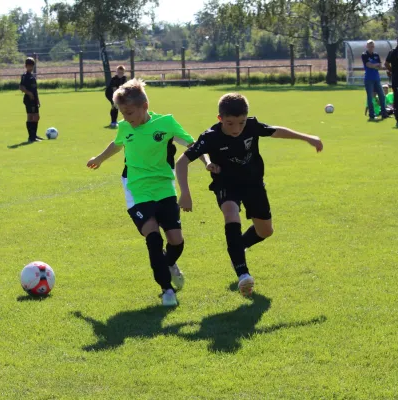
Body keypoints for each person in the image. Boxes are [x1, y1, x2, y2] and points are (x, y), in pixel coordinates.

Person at [175, 93, 323, 297]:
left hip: (253, 184)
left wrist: (307, 138)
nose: (236, 129)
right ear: (220, 119)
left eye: (241, 123)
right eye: (230, 123)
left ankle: (238, 246)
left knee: (265, 231)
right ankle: (243, 274)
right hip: (226, 184)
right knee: (230, 214)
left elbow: (276, 131)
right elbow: (181, 162)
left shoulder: (252, 126)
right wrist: (185, 193)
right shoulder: (211, 136)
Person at [87, 79, 210, 307]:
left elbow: (193, 145)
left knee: (177, 241)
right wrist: (99, 159)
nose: (127, 118)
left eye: (130, 113)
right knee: (153, 236)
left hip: (164, 186)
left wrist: (207, 162)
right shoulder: (125, 128)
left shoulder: (166, 123)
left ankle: (169, 264)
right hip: (136, 188)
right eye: (123, 114)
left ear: (145, 105)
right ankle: (166, 290)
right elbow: (117, 143)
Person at [362, 40, 388, 120]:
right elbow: (368, 65)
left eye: (372, 46)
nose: (371, 47)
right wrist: (375, 65)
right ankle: (372, 115)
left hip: (377, 78)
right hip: (369, 79)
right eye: (370, 46)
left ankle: (384, 113)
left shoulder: (376, 55)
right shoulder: (364, 55)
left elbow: (380, 66)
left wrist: (374, 65)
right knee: (370, 97)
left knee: (382, 96)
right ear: (367, 46)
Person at [19, 57, 42, 142]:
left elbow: (35, 89)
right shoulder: (25, 76)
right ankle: (31, 137)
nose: (31, 68)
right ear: (26, 66)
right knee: (30, 117)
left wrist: (37, 99)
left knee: (36, 117)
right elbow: (21, 87)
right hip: (29, 99)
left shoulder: (32, 76)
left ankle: (34, 135)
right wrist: (29, 93)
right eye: (29, 66)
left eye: (32, 66)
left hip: (34, 99)